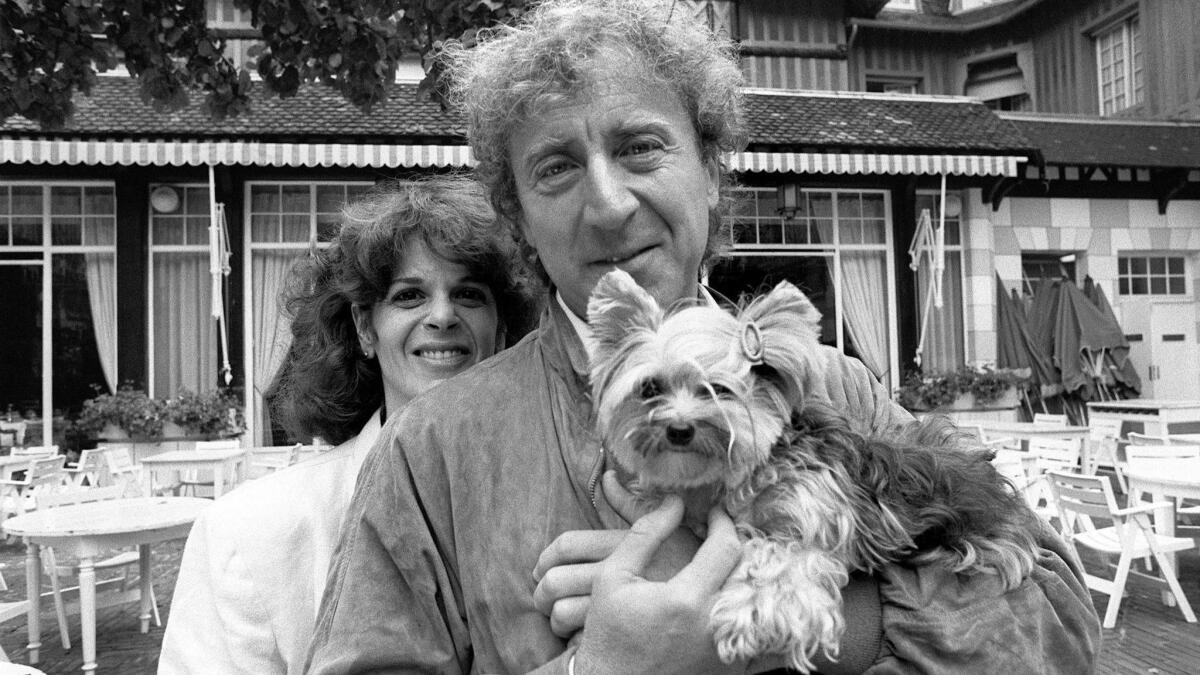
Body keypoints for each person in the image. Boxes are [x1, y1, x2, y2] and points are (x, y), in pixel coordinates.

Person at [305, 1, 1101, 672]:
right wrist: (599, 667)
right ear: (517, 218)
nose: (610, 202)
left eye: (639, 146)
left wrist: (795, 627)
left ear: (713, 171)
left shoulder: (837, 387)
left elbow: (1059, 629)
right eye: (555, 167)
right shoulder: (432, 450)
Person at [158, 175, 537, 675]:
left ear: (503, 329)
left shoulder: (553, 500)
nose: (442, 316)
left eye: (468, 294)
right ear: (364, 327)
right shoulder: (249, 534)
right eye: (409, 296)